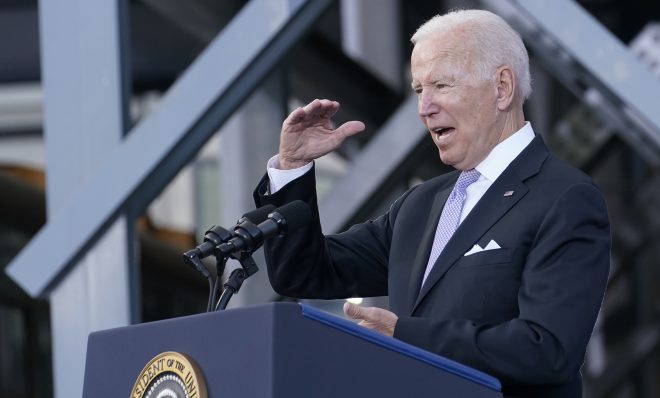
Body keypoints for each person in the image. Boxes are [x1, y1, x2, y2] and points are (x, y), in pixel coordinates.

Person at [254, 9, 610, 398]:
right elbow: (305, 272)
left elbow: (548, 349)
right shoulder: (421, 205)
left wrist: (403, 334)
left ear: (502, 88)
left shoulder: (565, 197)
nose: (424, 108)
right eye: (419, 90)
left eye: (441, 85)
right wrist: (292, 167)